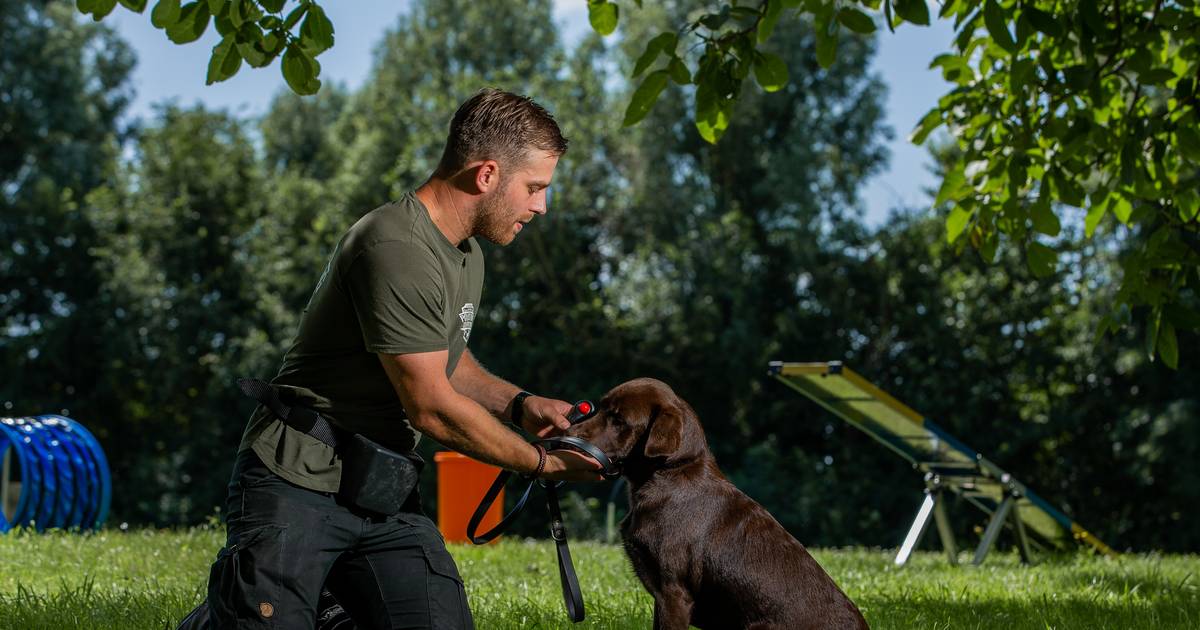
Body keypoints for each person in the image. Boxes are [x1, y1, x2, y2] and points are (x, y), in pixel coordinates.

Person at [191, 88, 603, 629]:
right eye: (534, 188)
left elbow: (448, 361)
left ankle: (325, 603)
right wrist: (542, 464)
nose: (540, 206)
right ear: (486, 175)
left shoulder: (466, 253)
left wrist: (521, 406)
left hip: (380, 490)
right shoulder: (395, 246)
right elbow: (430, 407)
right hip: (297, 478)